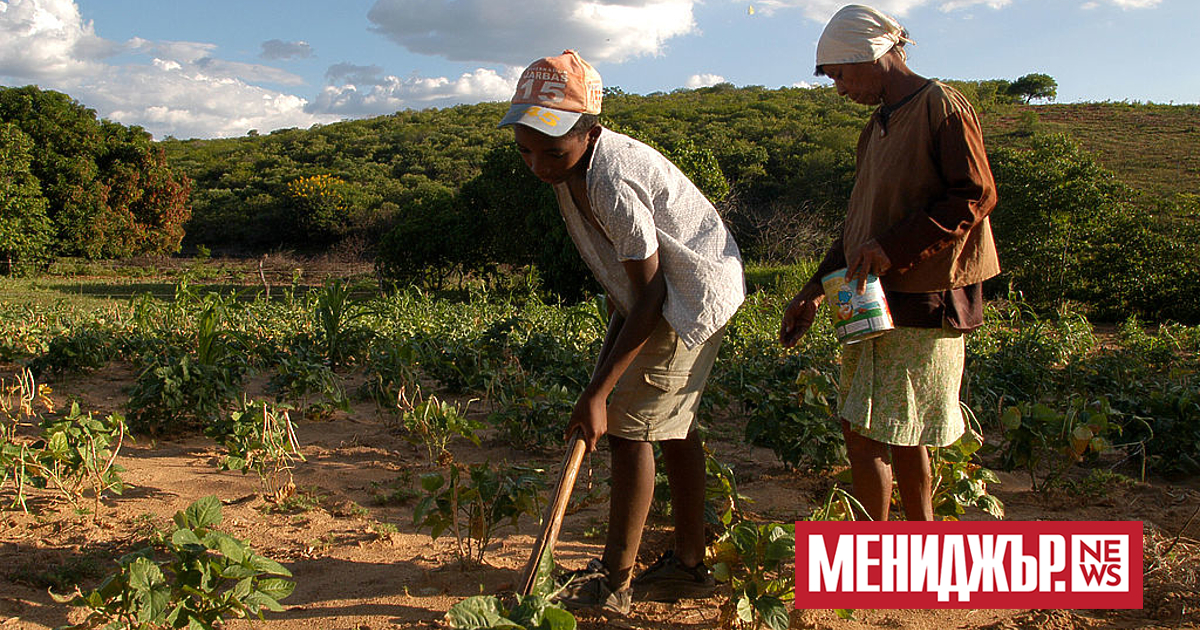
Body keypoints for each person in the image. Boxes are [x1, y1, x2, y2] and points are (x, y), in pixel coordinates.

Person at [497, 50, 745, 614]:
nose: (538, 165)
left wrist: (599, 395)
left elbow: (653, 296)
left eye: (551, 150)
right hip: (670, 295)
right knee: (673, 428)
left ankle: (615, 581)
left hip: (690, 297)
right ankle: (688, 565)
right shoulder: (568, 172)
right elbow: (629, 293)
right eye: (526, 151)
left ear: (589, 131)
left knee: (631, 430)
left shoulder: (609, 177)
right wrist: (596, 385)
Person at [779, 5, 1000, 522]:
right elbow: (860, 226)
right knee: (874, 429)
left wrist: (894, 250)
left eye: (841, 74)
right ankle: (890, 547)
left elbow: (973, 194)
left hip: (925, 295)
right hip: (871, 297)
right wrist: (813, 290)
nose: (839, 88)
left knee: (892, 431)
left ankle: (890, 549)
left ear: (872, 55)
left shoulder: (941, 106)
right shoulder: (876, 127)